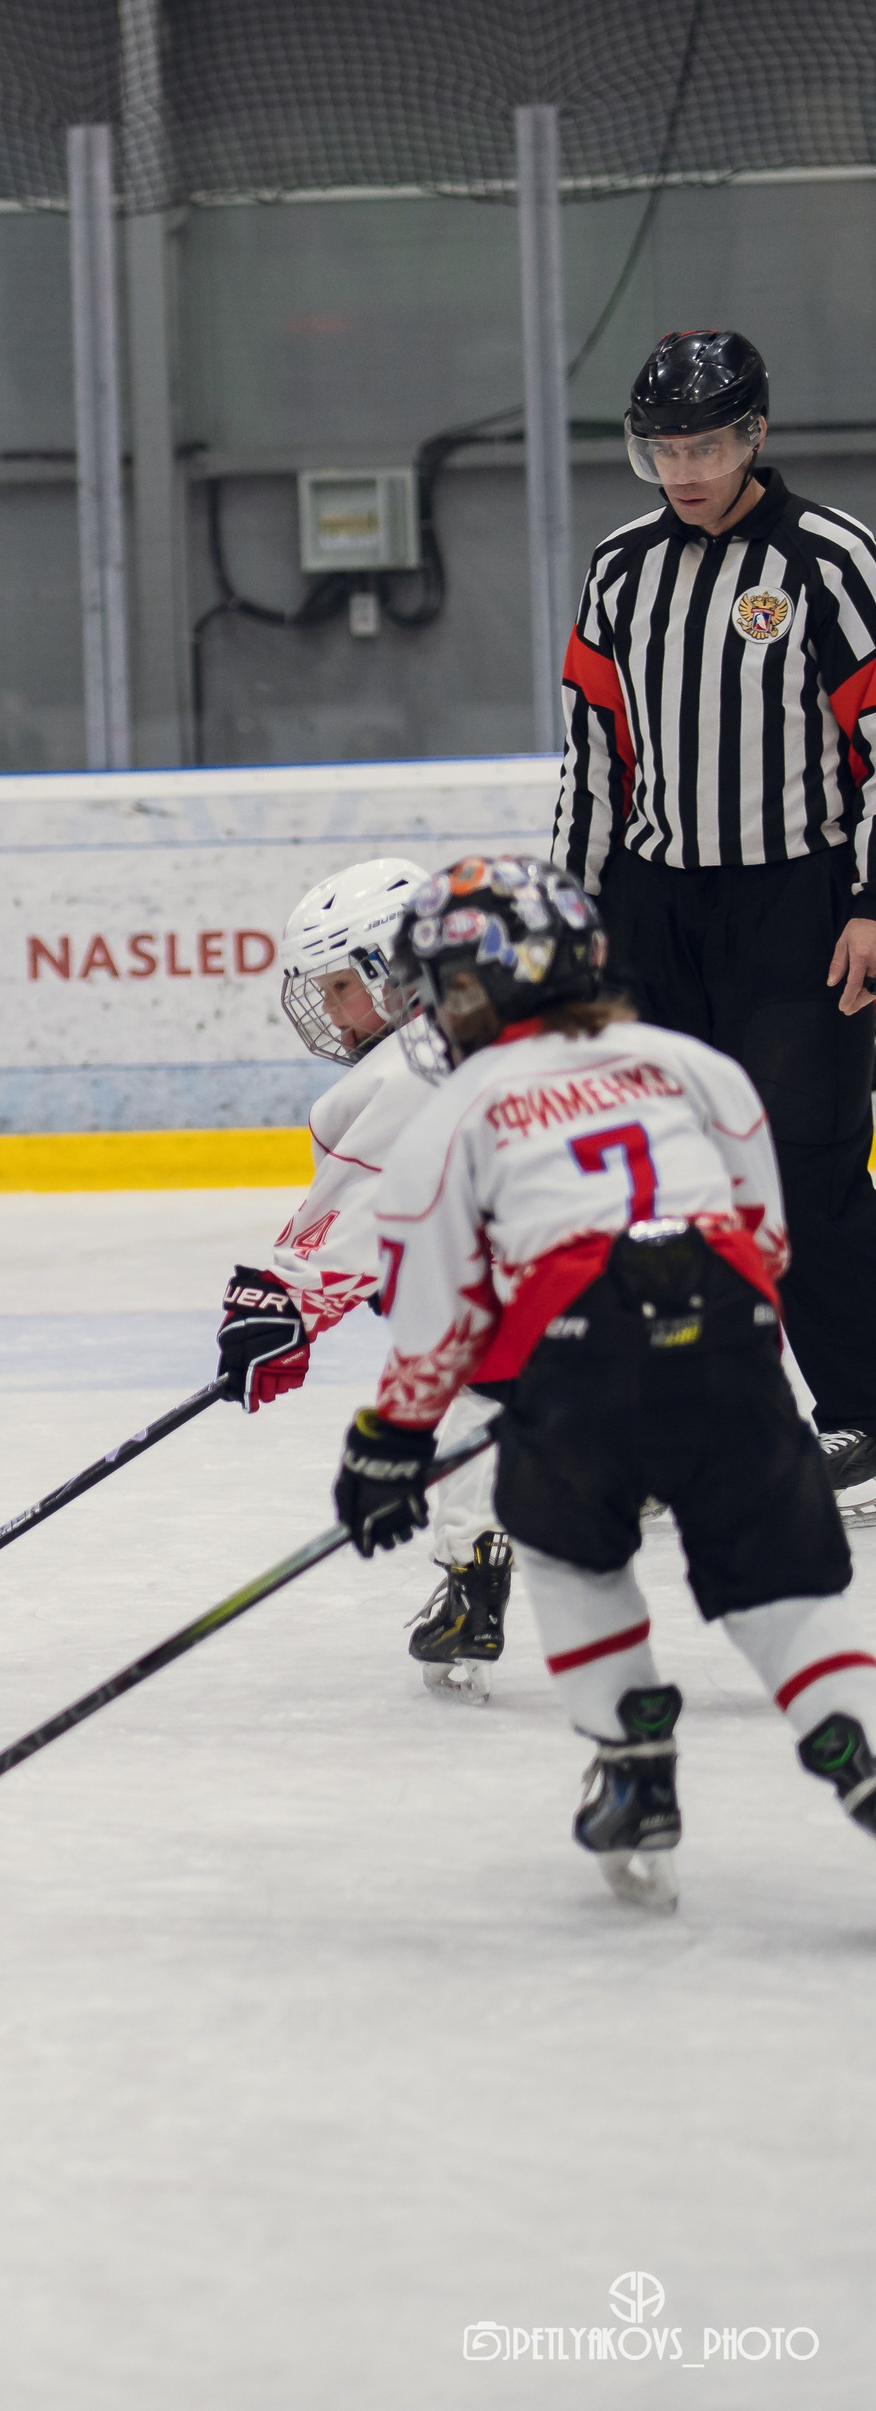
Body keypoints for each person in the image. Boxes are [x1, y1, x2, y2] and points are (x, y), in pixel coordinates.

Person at [331, 855, 876, 1909]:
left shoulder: (452, 1111)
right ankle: (854, 1740)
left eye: (443, 984)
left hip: (577, 1361)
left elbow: (432, 1320)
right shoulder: (689, 1061)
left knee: (568, 1550)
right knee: (771, 1578)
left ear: (482, 986)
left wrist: (385, 1448)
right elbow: (763, 1235)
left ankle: (632, 1771)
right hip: (725, 1344)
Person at [555, 329, 876, 1511]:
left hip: (797, 906)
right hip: (653, 905)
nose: (682, 467)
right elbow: (595, 755)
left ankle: (860, 1411)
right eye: (661, 447)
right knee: (646, 1175)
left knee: (804, 1164)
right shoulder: (618, 568)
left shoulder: (830, 560)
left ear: (755, 436)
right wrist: (571, 910)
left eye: (704, 443)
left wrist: (871, 901)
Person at [217, 856, 514, 1694]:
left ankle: (472, 1573)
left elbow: (355, 1223)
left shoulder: (406, 1068)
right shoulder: (515, 1009)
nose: (329, 1011)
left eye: (340, 986)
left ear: (391, 968)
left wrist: (280, 1308)